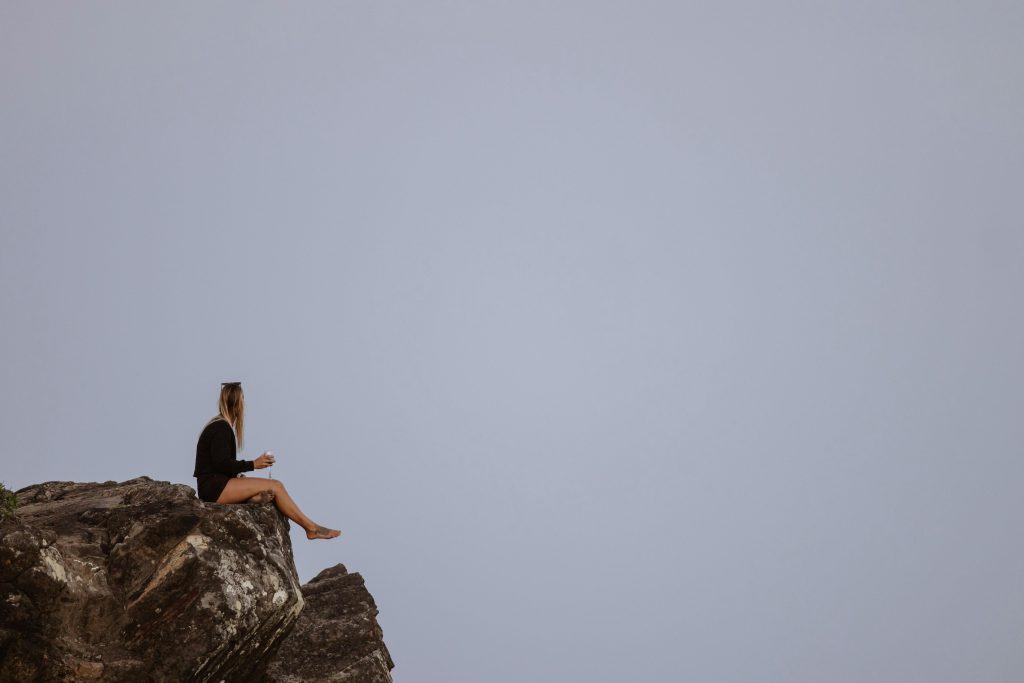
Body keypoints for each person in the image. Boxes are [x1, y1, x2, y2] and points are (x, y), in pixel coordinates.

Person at [193, 381, 341, 540]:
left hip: (215, 485)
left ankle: (252, 499)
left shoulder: (220, 425)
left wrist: (239, 477)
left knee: (265, 490)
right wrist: (253, 464)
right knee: (276, 486)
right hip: (213, 488)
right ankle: (311, 529)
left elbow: (220, 465)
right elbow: (220, 463)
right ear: (238, 404)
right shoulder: (221, 427)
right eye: (243, 400)